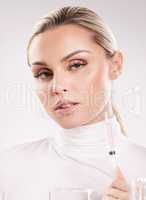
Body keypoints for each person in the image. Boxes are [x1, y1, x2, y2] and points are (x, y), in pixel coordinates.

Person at [0, 6, 146, 200]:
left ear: (116, 65)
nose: (57, 87)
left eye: (76, 65)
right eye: (44, 73)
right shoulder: (8, 168)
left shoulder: (140, 169)